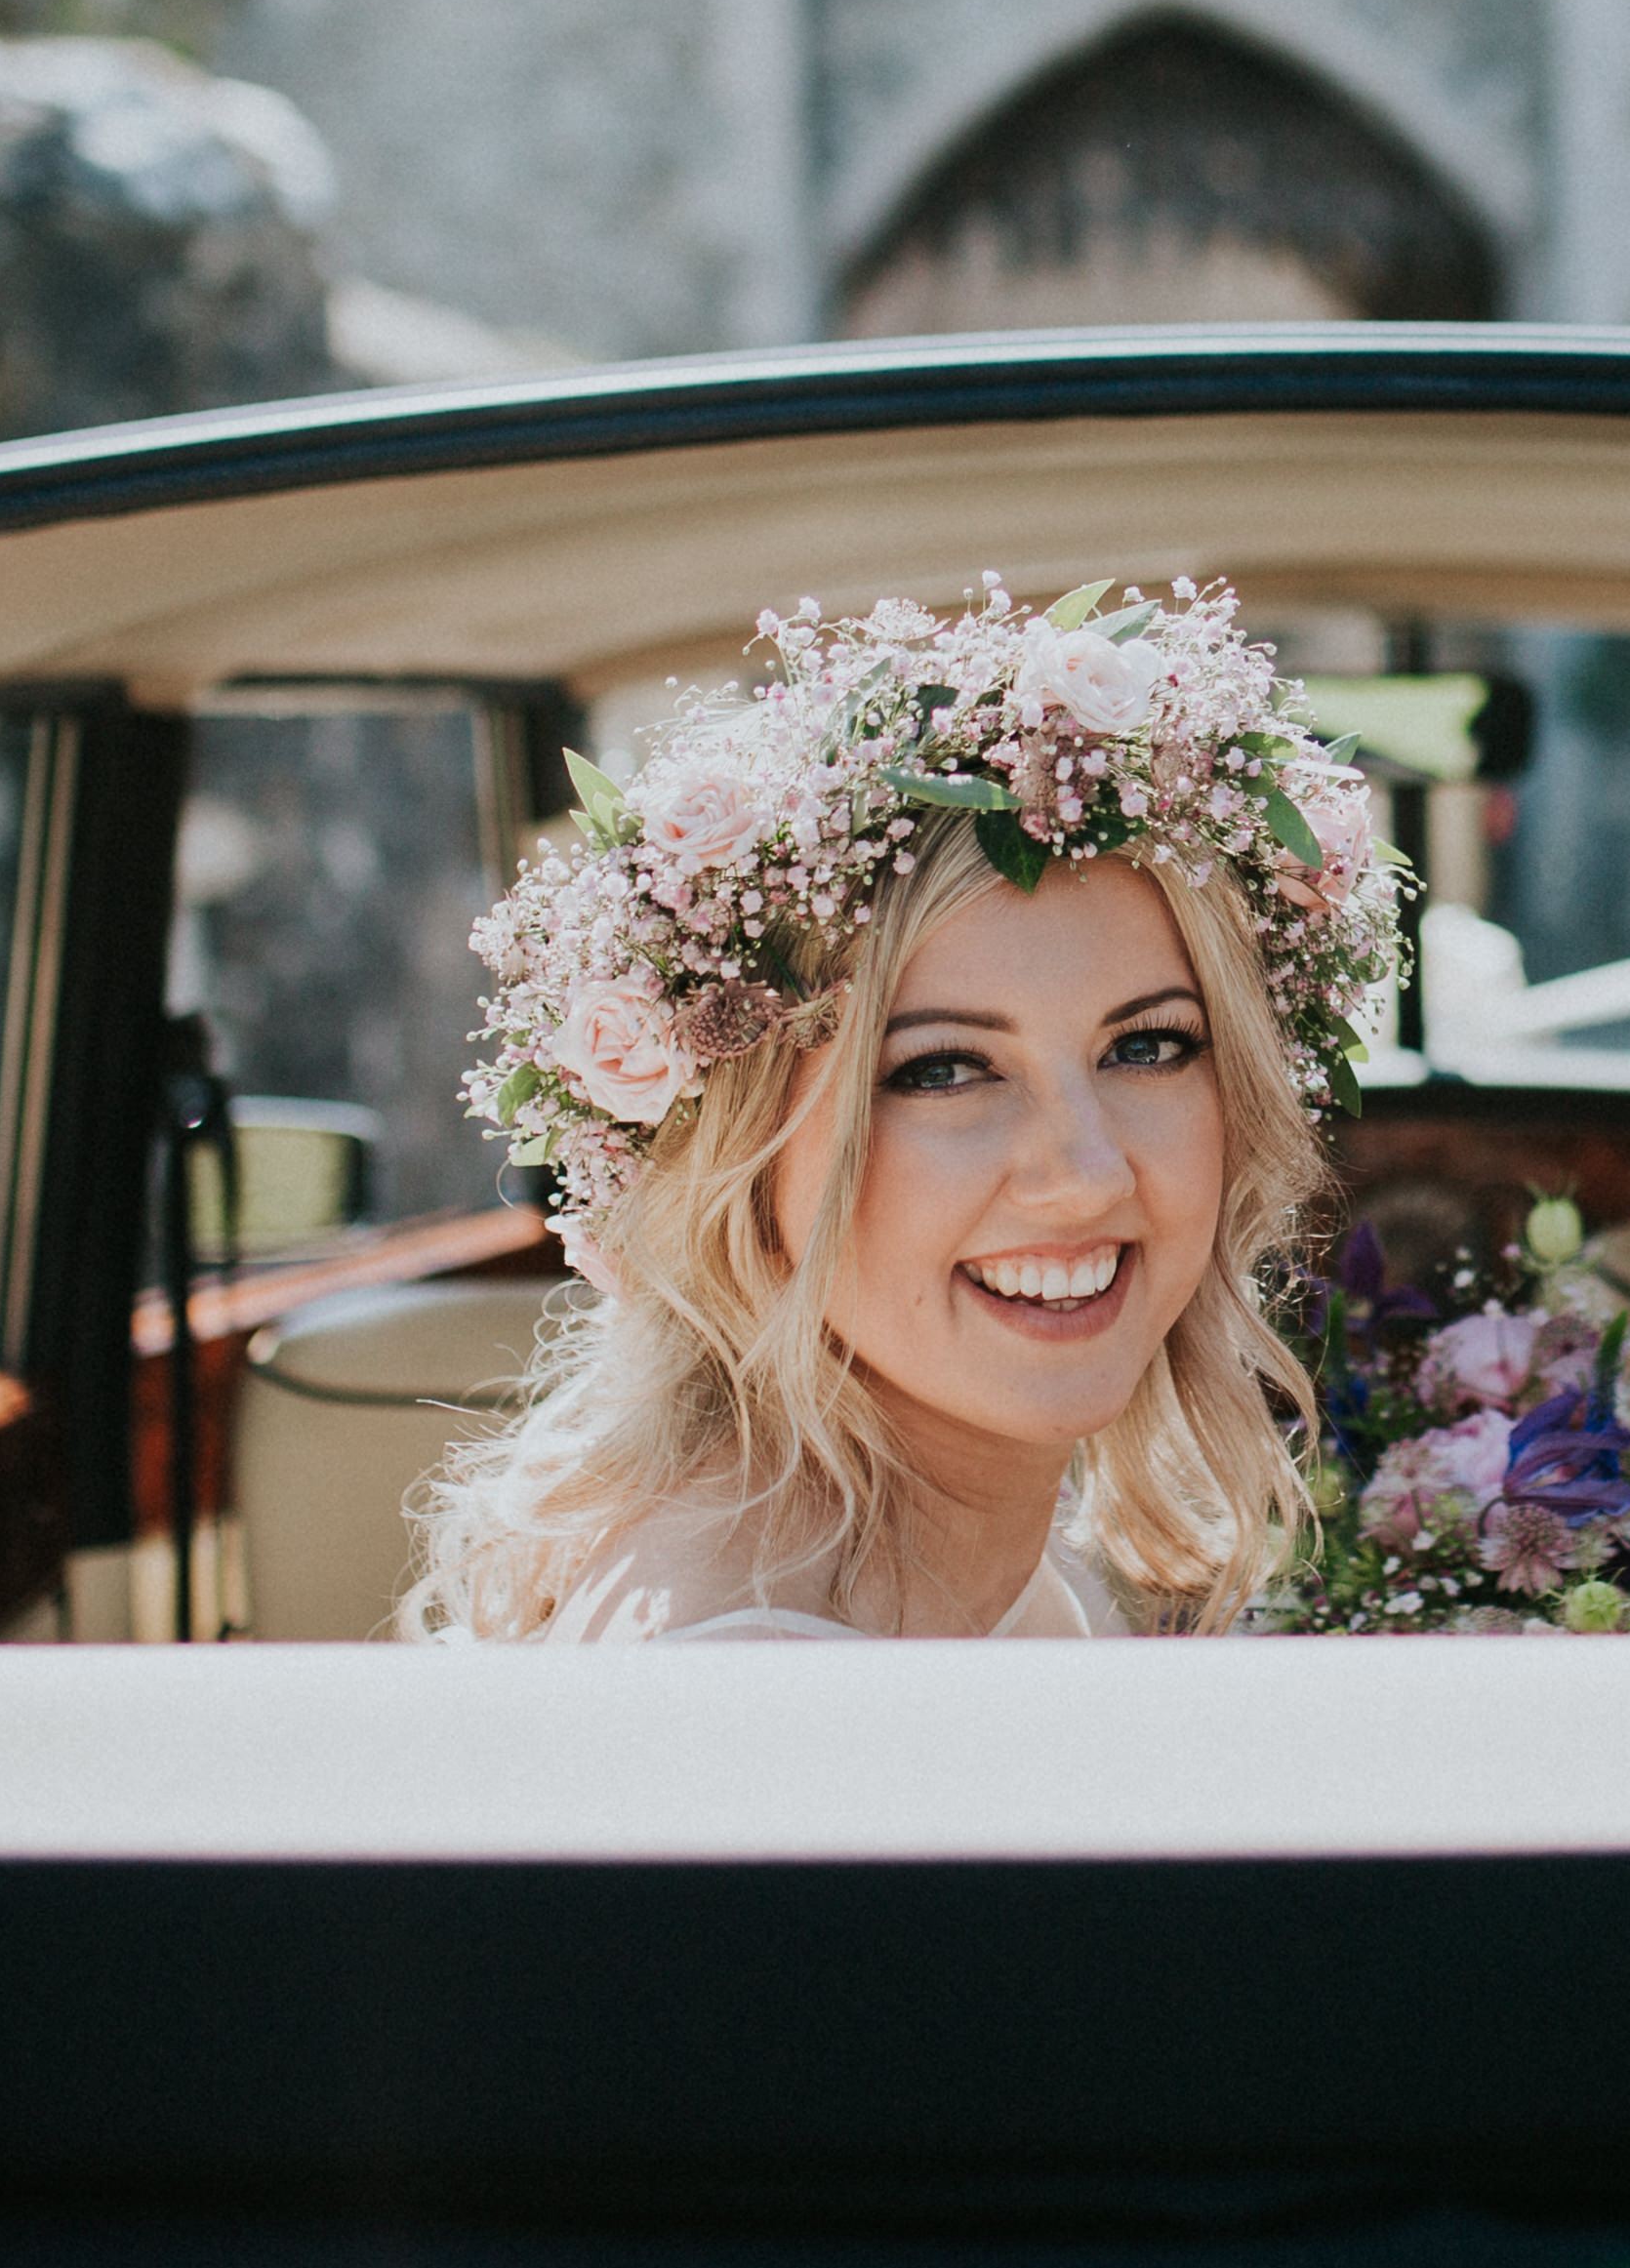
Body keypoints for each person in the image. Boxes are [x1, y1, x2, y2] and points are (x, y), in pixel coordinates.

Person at [411, 579, 1398, 1642]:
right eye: (942, 1071)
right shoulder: (760, 1677)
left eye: (1147, 1047)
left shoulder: (975, 1567)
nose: (1087, 1171)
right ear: (742, 1145)